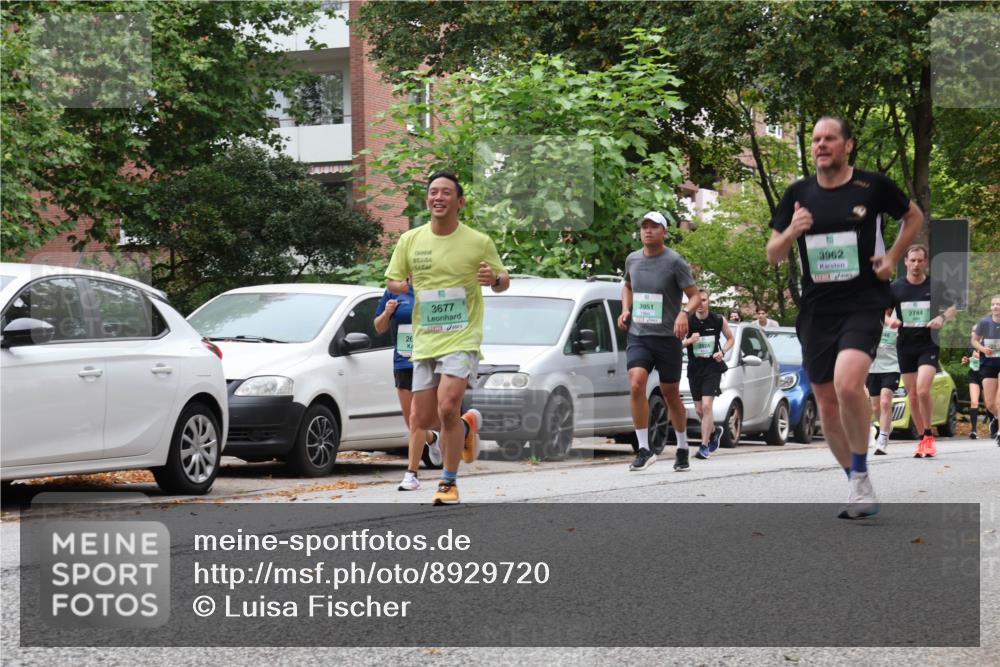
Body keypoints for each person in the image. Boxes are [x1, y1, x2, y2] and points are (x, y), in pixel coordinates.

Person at [766, 116, 922, 519]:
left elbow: (914, 217)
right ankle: (857, 478)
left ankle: (860, 468)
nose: (821, 145)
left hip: (864, 301)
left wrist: (891, 258)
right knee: (826, 404)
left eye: (830, 138)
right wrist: (792, 231)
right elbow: (773, 253)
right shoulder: (797, 193)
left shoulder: (871, 187)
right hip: (817, 309)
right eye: (816, 139)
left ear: (847, 145)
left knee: (848, 383)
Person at [385, 170, 509, 504]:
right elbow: (392, 281)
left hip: (462, 335)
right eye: (433, 192)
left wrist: (493, 278)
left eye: (445, 193)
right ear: (428, 199)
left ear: (459, 201)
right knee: (424, 420)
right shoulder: (410, 240)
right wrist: (406, 285)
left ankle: (448, 483)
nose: (438, 197)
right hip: (426, 337)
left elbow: (502, 279)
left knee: (447, 405)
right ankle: (466, 427)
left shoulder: (478, 241)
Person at [617, 211, 701, 472]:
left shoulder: (674, 261)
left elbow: (695, 295)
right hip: (639, 335)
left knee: (670, 394)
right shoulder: (632, 259)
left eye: (654, 227)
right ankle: (644, 449)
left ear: (664, 232)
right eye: (644, 227)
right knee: (636, 384)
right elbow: (627, 285)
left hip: (667, 338)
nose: (648, 231)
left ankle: (683, 446)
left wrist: (683, 313)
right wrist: (625, 309)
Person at [886, 244, 957, 458]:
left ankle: (927, 436)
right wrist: (892, 321)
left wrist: (941, 318)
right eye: (912, 260)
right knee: (913, 395)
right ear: (906, 262)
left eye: (920, 260)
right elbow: (885, 313)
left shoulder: (935, 285)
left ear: (925, 262)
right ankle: (924, 437)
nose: (916, 264)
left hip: (928, 343)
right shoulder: (895, 287)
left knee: (923, 389)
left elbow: (953, 307)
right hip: (905, 345)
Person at [373, 281, 441, 490]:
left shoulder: (435, 287)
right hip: (403, 360)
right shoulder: (394, 291)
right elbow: (379, 327)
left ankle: (411, 473)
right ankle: (432, 438)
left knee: (417, 418)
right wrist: (387, 312)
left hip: (428, 359)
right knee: (411, 423)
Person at [680, 288, 734, 459]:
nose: (701, 304)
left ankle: (704, 446)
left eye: (704, 300)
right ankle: (714, 430)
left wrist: (722, 352)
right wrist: (689, 341)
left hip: (712, 367)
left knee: (706, 406)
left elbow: (730, 338)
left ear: (708, 301)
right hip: (695, 368)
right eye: (698, 301)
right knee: (698, 409)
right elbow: (677, 344)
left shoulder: (718, 320)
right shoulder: (687, 321)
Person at [866, 316, 901, 455]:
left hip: (892, 367)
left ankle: (882, 440)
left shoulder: (898, 320)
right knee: (875, 406)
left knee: (885, 401)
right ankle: (887, 426)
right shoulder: (872, 319)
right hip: (873, 368)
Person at [971, 294, 1000, 446]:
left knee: (999, 400)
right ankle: (996, 418)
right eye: (993, 304)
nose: (996, 307)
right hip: (988, 364)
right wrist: (983, 348)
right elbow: (974, 340)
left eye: (998, 304)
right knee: (990, 404)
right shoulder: (984, 322)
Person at [961, 327, 983, 440]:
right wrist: (966, 360)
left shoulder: (989, 343)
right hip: (974, 374)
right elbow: (970, 358)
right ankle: (974, 431)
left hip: (987, 375)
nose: (972, 333)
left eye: (975, 331)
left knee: (990, 404)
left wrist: (982, 355)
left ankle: (994, 426)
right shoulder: (970, 345)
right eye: (972, 331)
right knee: (974, 402)